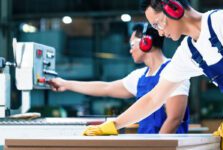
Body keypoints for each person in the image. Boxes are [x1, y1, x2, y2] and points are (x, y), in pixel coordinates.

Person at [82, 0, 223, 149]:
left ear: (174, 9)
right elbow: (154, 98)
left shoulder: (221, 22)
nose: (159, 32)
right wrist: (114, 125)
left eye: (158, 23)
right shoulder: (189, 52)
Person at [50, 23, 190, 134]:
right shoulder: (140, 76)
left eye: (132, 45)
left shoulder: (174, 70)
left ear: (145, 42)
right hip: (148, 144)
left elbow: (174, 119)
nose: (130, 50)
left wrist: (158, 146)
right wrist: (66, 84)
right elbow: (106, 87)